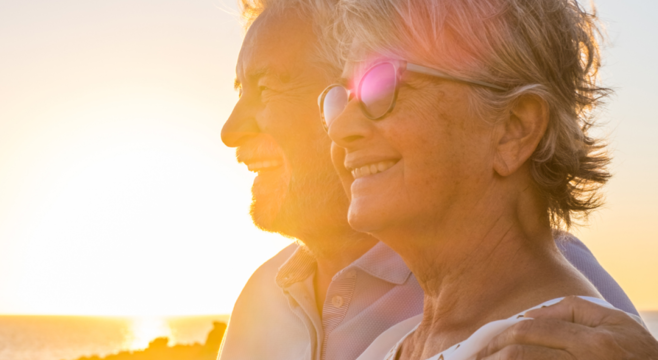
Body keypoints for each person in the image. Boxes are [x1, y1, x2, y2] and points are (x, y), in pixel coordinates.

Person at [214, 0, 658, 359]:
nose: (340, 126)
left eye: (381, 86)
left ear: (513, 128)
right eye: (342, 96)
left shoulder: (562, 344)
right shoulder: (398, 345)